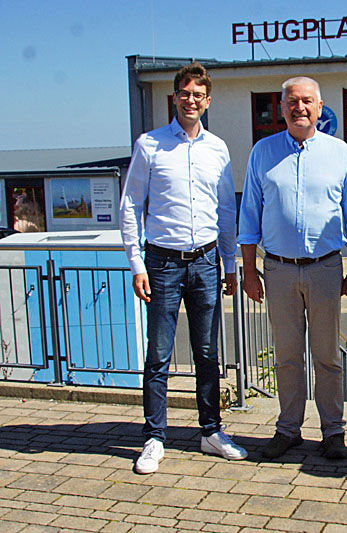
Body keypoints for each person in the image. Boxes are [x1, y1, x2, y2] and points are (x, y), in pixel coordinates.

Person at [119, 62, 247, 475]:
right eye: (184, 93)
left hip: (206, 262)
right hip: (161, 263)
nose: (191, 100)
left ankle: (210, 431)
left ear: (207, 101)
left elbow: (226, 210)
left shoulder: (218, 148)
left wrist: (230, 264)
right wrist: (137, 264)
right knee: (158, 354)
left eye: (198, 94)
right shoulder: (150, 145)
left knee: (207, 353)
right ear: (174, 98)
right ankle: (155, 437)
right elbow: (130, 208)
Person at [238, 76, 347, 461]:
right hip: (277, 270)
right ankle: (288, 428)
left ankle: (333, 432)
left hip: (326, 268)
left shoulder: (340, 153)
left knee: (326, 355)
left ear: (321, 106)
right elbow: (249, 216)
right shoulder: (263, 152)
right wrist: (247, 270)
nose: (300, 108)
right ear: (282, 108)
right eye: (292, 102)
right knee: (287, 356)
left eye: (307, 101)